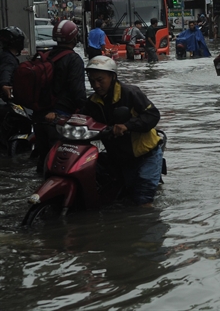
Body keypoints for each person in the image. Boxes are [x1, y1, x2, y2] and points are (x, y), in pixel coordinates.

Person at [82, 55, 163, 206]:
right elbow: (82, 118)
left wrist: (128, 125)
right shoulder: (93, 102)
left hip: (146, 156)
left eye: (100, 80)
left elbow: (153, 115)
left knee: (143, 202)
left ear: (112, 77)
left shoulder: (130, 93)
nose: (96, 85)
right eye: (92, 81)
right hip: (120, 158)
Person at [33, 20, 86, 173]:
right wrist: (86, 110)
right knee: (60, 163)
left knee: (43, 160)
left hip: (39, 116)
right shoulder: (74, 60)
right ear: (75, 38)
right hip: (59, 117)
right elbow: (78, 91)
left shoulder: (45, 56)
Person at [0, 27, 24, 101]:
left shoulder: (4, 55)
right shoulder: (9, 59)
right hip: (6, 98)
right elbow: (6, 71)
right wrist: (5, 84)